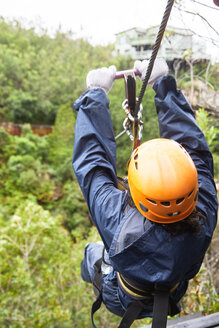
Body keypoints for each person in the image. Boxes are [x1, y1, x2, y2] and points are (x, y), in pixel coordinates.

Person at [72, 59, 218, 328]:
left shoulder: (119, 224)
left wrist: (95, 94)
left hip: (123, 297)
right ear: (192, 185)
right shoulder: (205, 209)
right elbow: (195, 150)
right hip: (173, 290)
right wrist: (162, 85)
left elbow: (93, 165)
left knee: (92, 252)